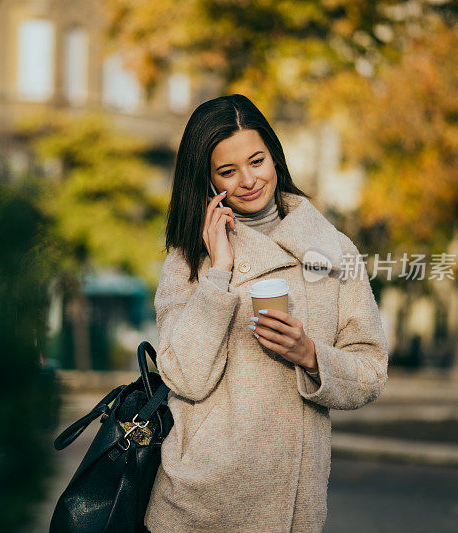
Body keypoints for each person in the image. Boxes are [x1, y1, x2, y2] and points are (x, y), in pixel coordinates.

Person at [142, 94, 389, 532]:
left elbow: (371, 371)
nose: (249, 180)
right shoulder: (189, 259)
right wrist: (219, 272)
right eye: (227, 171)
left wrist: (312, 355)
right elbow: (181, 376)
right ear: (207, 178)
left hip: (293, 506)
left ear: (274, 156)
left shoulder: (333, 249)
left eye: (257, 161)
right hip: (198, 503)